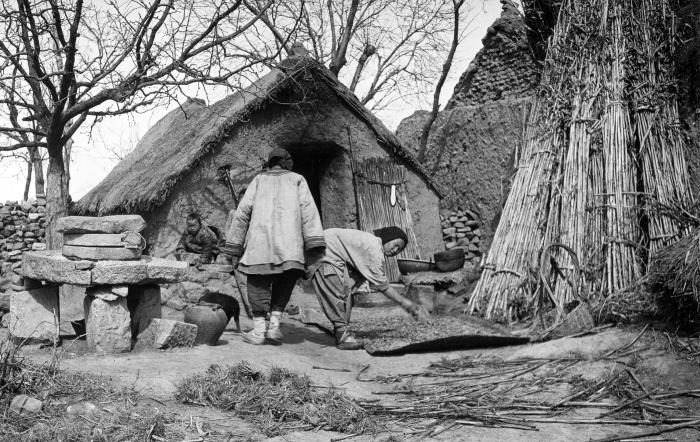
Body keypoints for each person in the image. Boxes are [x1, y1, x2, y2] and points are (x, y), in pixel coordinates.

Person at [222, 148, 325, 345]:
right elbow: (309, 211)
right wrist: (313, 241)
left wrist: (235, 244)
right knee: (285, 283)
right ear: (286, 161)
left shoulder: (259, 180)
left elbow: (243, 211)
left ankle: (259, 331)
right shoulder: (298, 180)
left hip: (260, 245)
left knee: (257, 284)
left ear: (270, 163)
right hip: (290, 246)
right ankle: (274, 327)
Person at [308, 226, 431, 350]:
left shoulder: (369, 244)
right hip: (321, 252)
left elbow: (353, 286)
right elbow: (382, 286)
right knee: (335, 291)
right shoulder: (374, 248)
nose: (395, 250)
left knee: (346, 291)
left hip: (327, 252)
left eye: (399, 249)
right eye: (395, 244)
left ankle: (342, 330)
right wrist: (408, 305)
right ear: (388, 238)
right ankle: (342, 336)